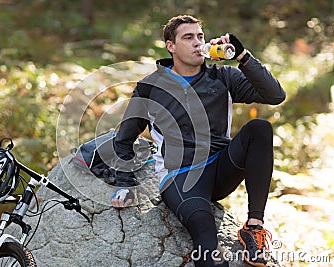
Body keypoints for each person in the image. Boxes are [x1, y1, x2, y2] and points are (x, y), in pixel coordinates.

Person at [111, 15, 285, 267]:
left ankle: (254, 227)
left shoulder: (223, 77)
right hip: (181, 177)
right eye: (188, 37)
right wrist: (125, 184)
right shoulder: (151, 87)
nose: (197, 43)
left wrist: (243, 56)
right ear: (171, 46)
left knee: (259, 129)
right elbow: (124, 138)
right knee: (207, 244)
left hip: (220, 169)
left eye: (200, 36)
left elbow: (275, 95)